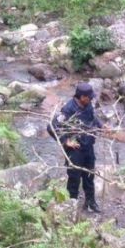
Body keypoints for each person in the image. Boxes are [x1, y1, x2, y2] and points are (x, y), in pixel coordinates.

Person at [50, 82, 104, 213]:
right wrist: (65, 141)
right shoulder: (67, 110)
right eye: (89, 97)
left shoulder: (88, 105)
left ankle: (90, 202)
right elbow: (52, 126)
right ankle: (71, 205)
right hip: (75, 150)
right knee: (74, 178)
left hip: (88, 147)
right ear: (81, 97)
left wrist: (101, 125)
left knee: (90, 175)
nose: (91, 99)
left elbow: (92, 118)